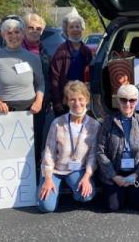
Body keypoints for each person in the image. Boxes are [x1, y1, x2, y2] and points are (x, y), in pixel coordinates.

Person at [0, 17, 45, 167]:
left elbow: (41, 83)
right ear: (3, 35)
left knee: (31, 150)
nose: (13, 36)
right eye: (9, 32)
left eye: (17, 32)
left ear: (23, 34)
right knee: (7, 150)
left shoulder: (32, 58)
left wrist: (39, 101)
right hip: (4, 109)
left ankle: (31, 184)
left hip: (31, 110)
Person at [37, 80, 100, 212]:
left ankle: (72, 187)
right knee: (46, 207)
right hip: (55, 170)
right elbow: (49, 152)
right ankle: (55, 189)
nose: (77, 103)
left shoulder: (94, 125)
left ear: (87, 99)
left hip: (77, 170)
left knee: (86, 196)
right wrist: (48, 178)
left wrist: (87, 176)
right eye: (72, 99)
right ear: (66, 101)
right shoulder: (57, 123)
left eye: (80, 99)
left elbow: (93, 155)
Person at [96, 84, 139, 211]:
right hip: (115, 172)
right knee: (113, 206)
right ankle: (121, 191)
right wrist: (113, 176)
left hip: (135, 173)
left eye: (132, 100)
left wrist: (137, 174)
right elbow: (100, 151)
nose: (128, 103)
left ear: (137, 101)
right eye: (123, 99)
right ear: (118, 101)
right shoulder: (108, 121)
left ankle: (129, 191)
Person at [23, 13, 52, 162]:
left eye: (38, 28)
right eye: (31, 27)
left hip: (40, 104)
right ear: (24, 29)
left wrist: (47, 100)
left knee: (37, 138)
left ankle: (34, 170)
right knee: (21, 140)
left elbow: (47, 77)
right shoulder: (17, 50)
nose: (35, 31)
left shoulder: (43, 50)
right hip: (20, 104)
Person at [50, 12, 93, 117]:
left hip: (81, 97)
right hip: (65, 97)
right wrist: (57, 101)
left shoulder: (86, 51)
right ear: (67, 30)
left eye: (77, 26)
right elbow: (54, 77)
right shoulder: (61, 51)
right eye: (71, 27)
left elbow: (91, 74)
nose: (75, 29)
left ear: (82, 29)